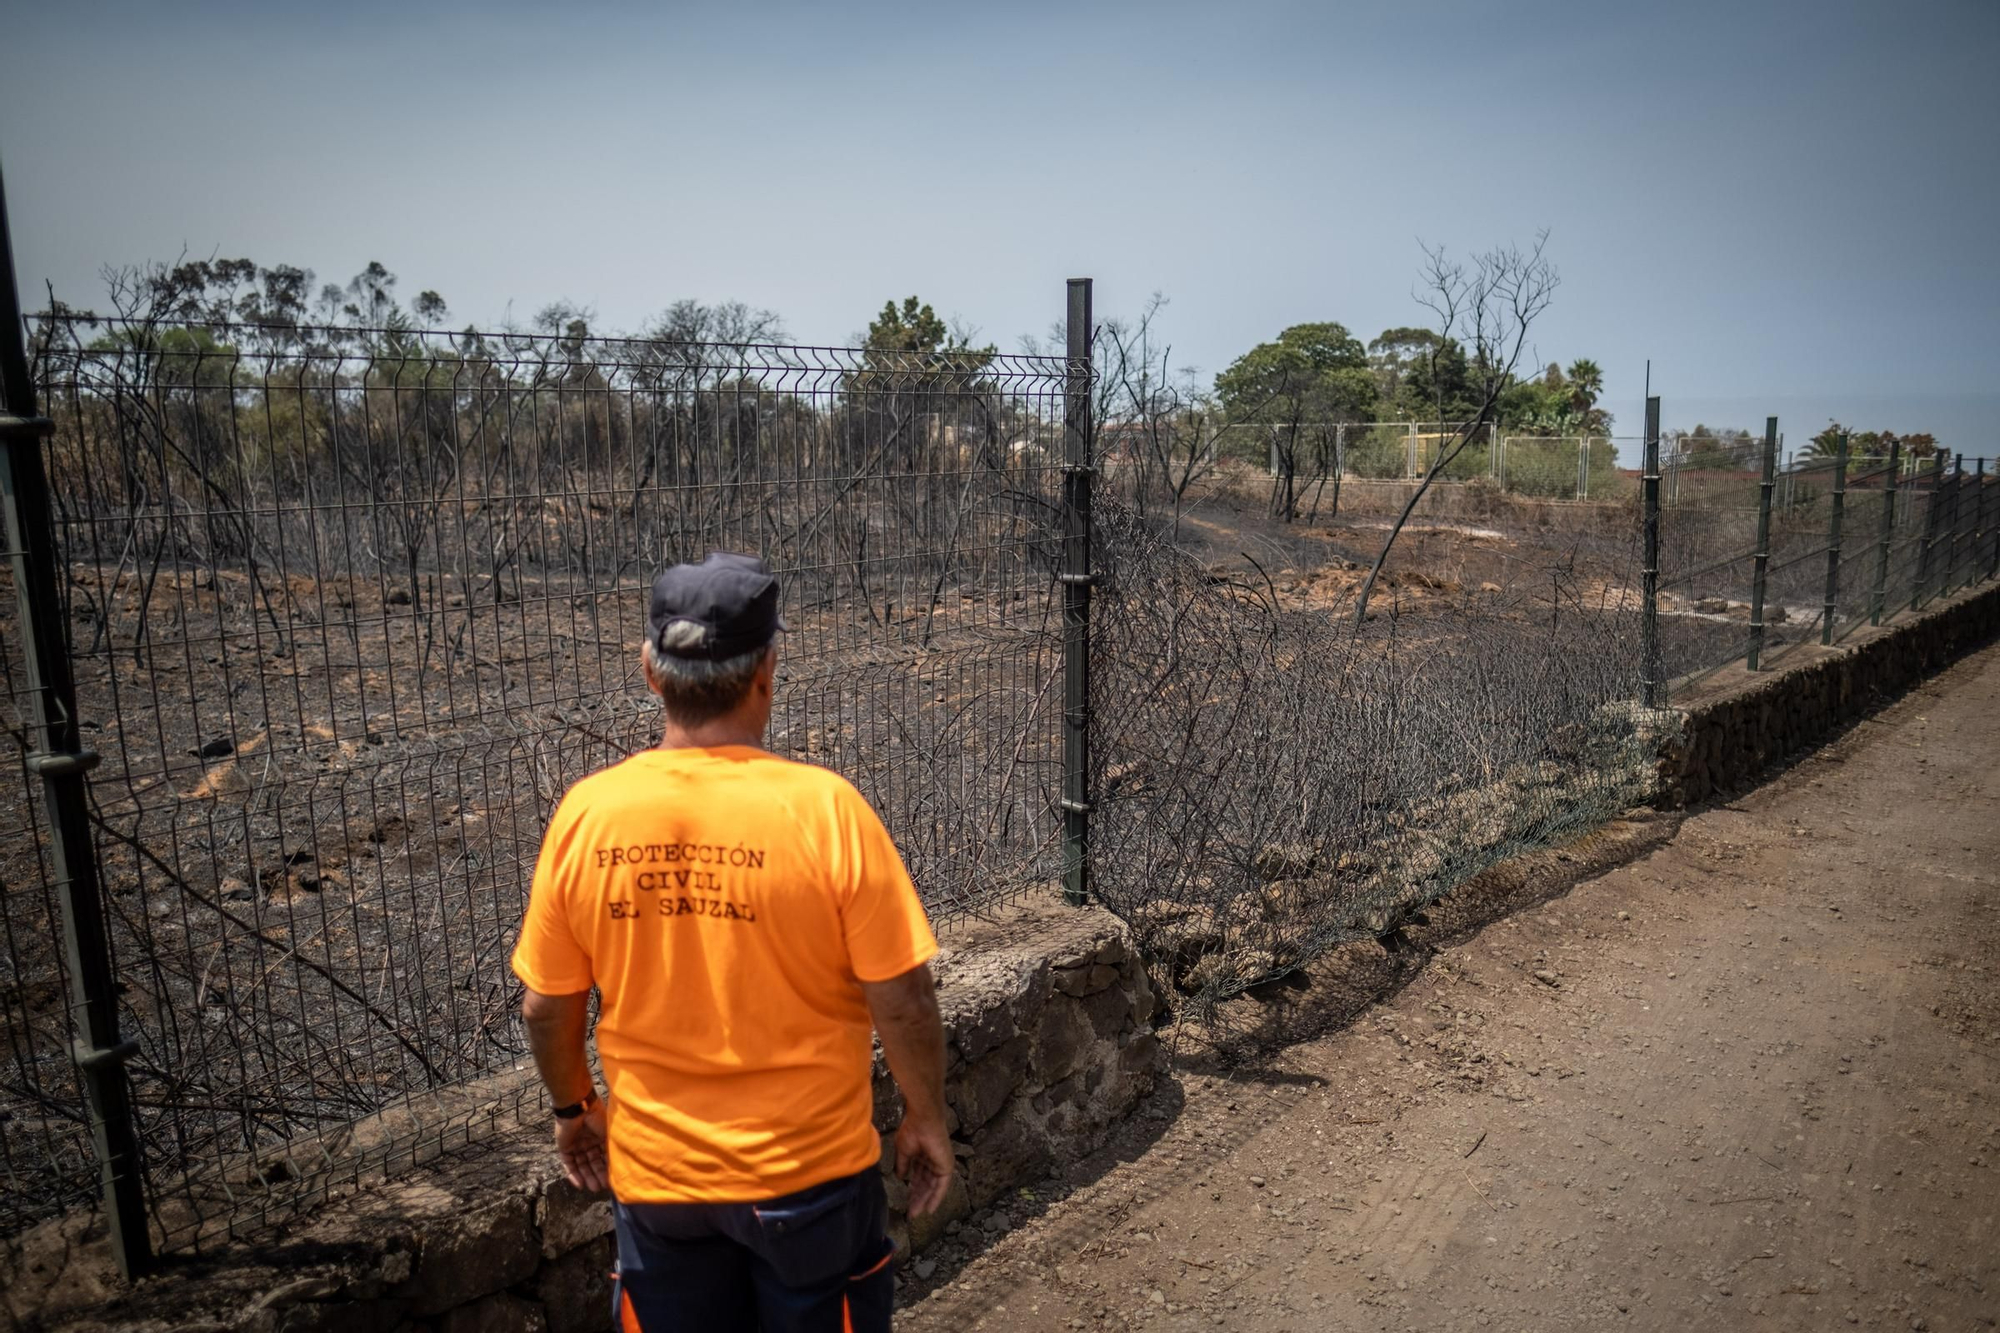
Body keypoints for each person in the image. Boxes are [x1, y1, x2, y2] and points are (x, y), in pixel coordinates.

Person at [510, 551, 953, 1332]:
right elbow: (905, 997)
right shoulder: (827, 811)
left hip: (658, 1184)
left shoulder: (587, 814)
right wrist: (925, 1115)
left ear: (651, 672)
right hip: (808, 1179)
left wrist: (574, 1104)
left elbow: (546, 1005)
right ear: (768, 671)